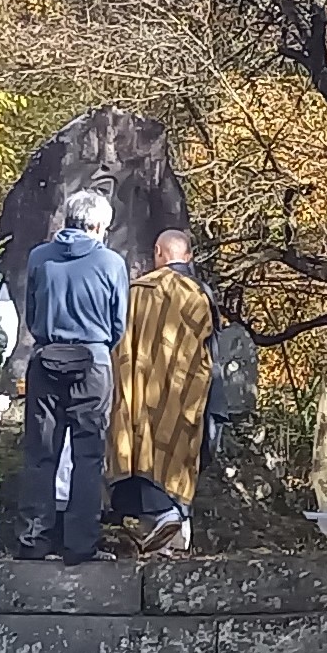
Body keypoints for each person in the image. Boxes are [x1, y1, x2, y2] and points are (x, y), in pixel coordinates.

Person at [17, 188, 129, 562]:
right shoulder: (111, 263)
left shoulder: (39, 257)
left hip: (46, 358)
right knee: (88, 454)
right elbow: (118, 323)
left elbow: (31, 314)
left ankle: (34, 540)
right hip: (92, 362)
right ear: (98, 225)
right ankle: (80, 546)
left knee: (40, 454)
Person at [108, 229, 217, 555]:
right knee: (177, 450)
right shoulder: (198, 293)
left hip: (135, 391)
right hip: (181, 394)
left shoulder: (136, 290)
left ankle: (155, 521)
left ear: (158, 252)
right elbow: (210, 354)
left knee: (136, 448)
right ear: (189, 257)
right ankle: (173, 522)